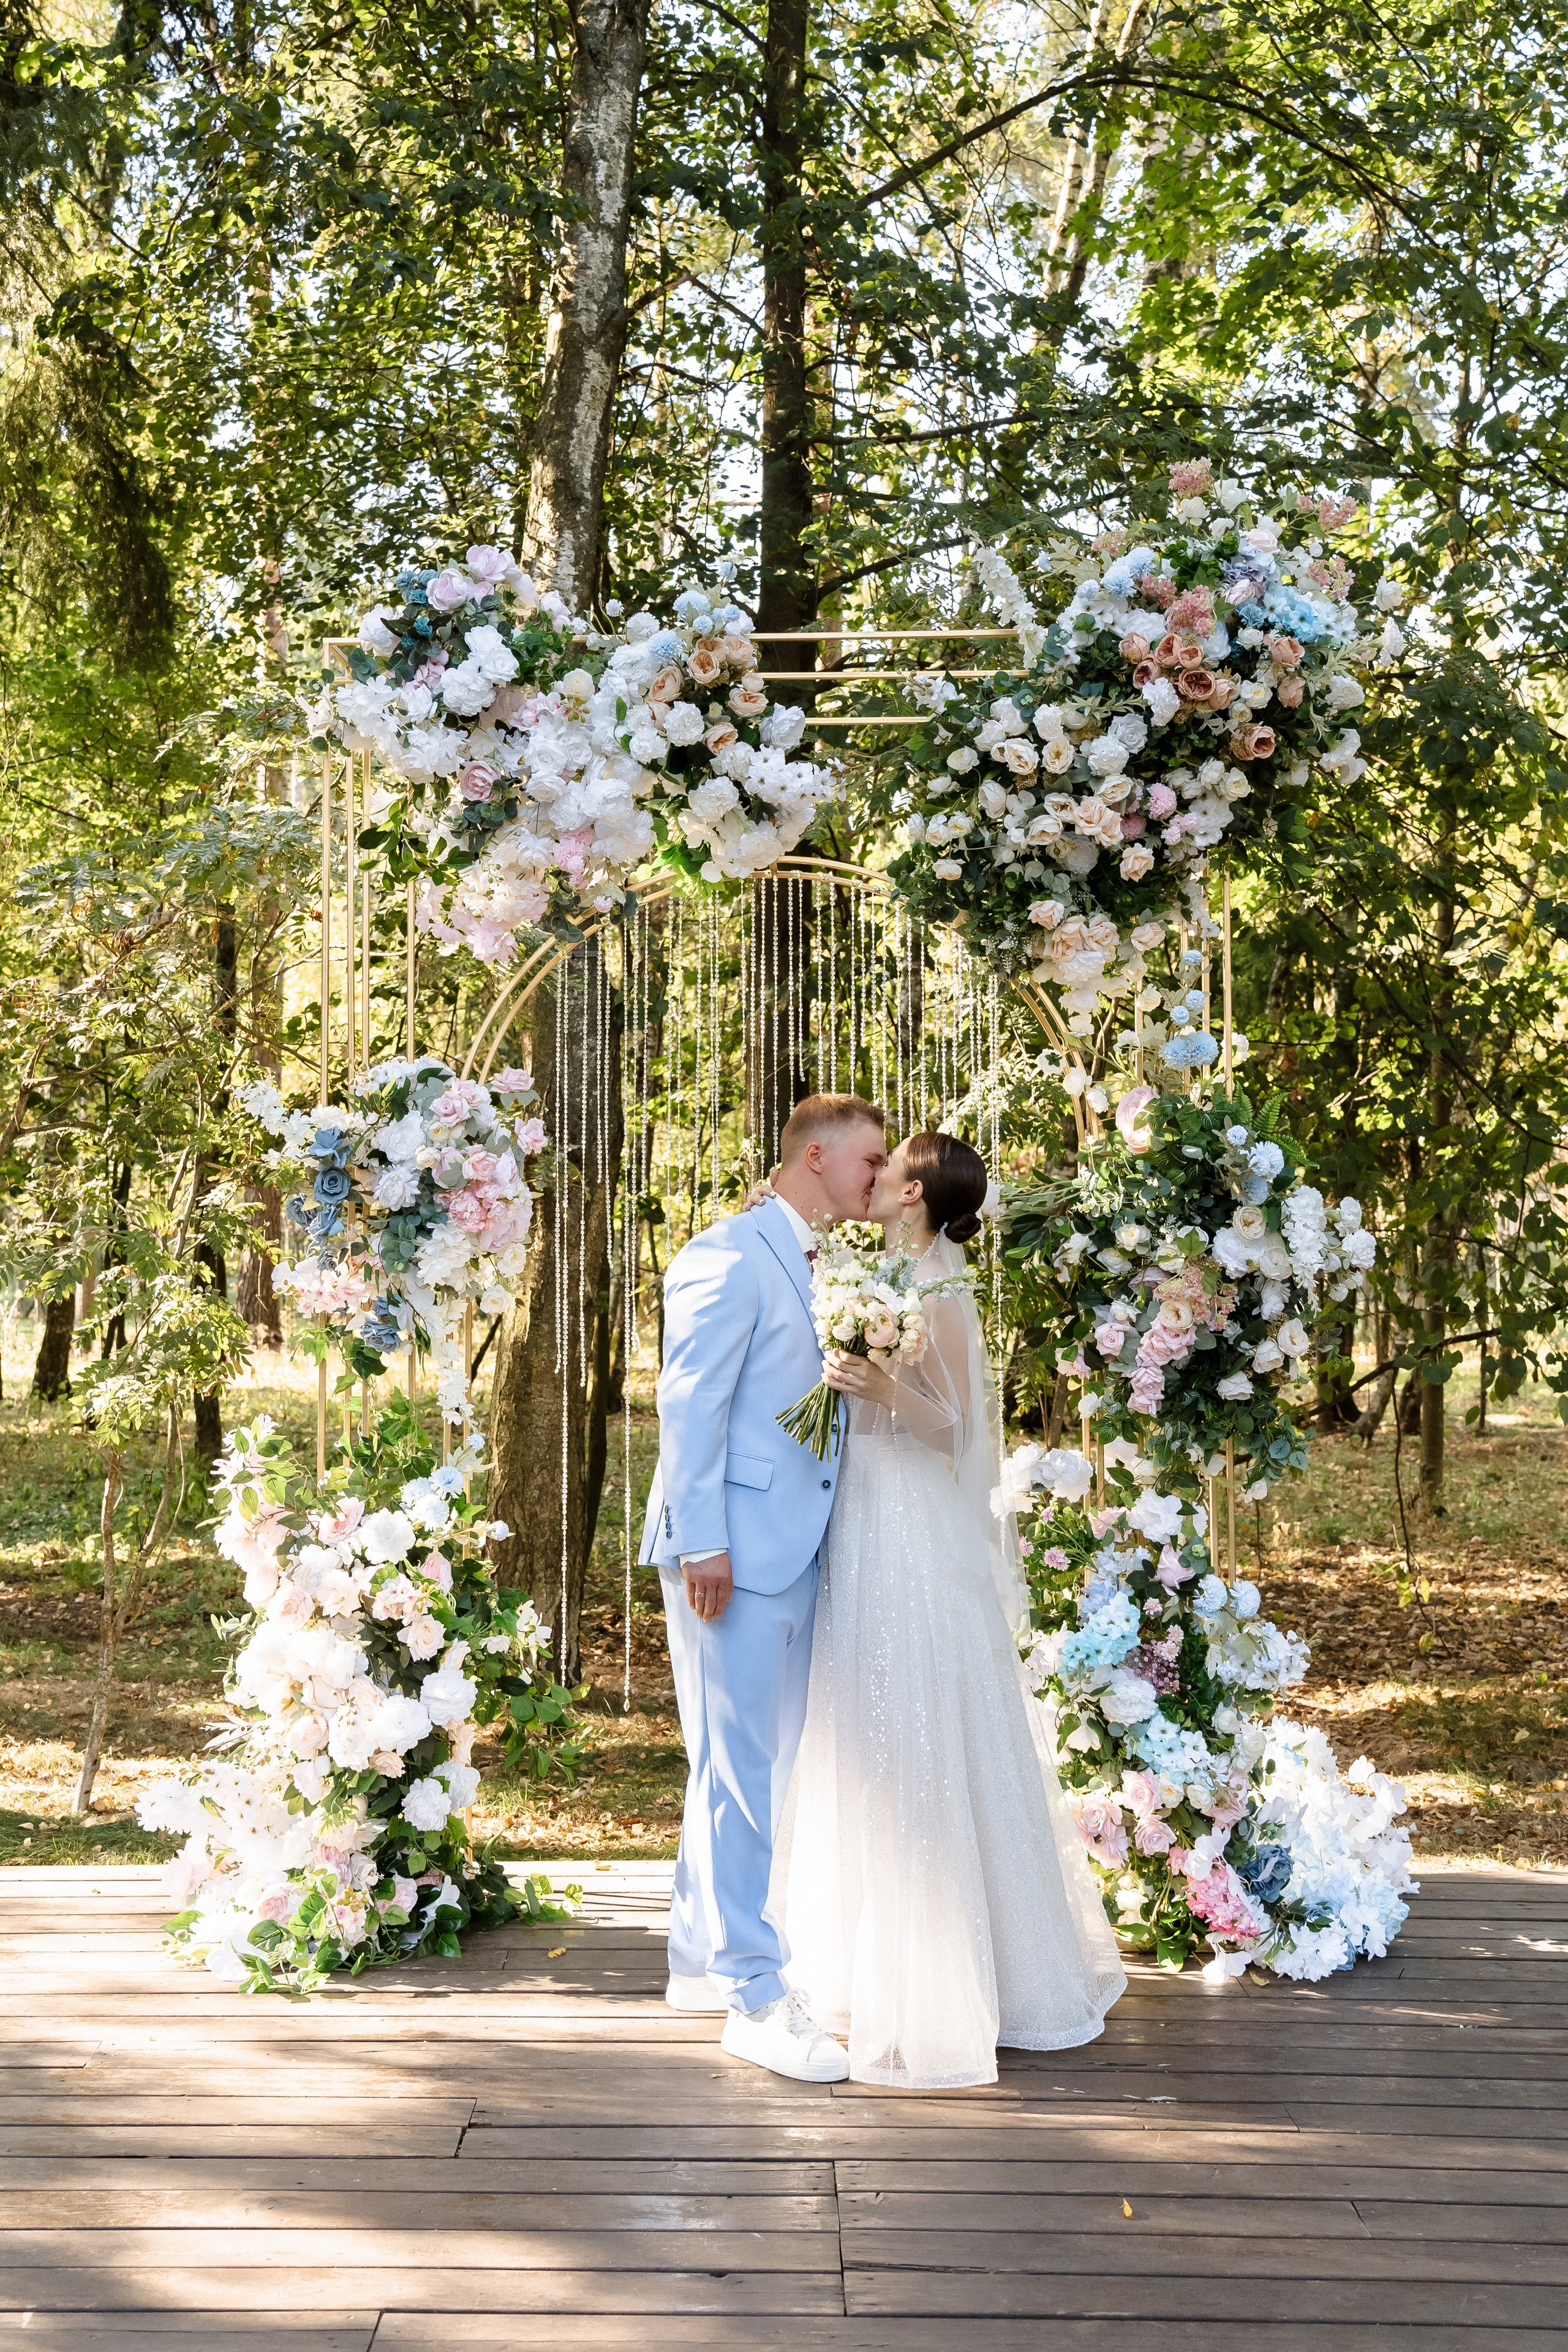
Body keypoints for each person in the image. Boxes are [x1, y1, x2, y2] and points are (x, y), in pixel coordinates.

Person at [774, 1128, 1126, 2087]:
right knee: (859, 1712)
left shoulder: (948, 1291)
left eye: (894, 1170)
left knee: (922, 1705)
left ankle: (967, 1975)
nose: (878, 1177)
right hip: (860, 1510)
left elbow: (957, 1430)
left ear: (921, 1195)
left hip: (915, 1522)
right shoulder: (876, 1272)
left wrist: (881, 1382)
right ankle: (850, 1961)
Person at [638, 1091, 889, 2083]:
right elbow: (688, 1401)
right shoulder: (727, 1254)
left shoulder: (833, 1260)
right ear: (816, 1156)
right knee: (742, 1770)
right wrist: (703, 1542)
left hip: (798, 1546)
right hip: (729, 1554)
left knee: (749, 1768)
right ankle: (752, 1990)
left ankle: (699, 1958)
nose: (879, 1179)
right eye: (870, 1162)